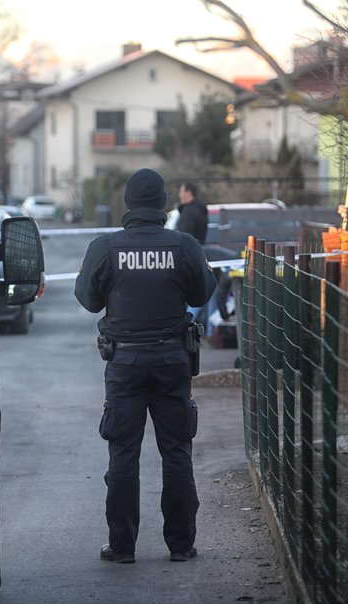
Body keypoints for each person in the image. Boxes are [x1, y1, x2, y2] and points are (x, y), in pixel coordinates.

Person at [74, 168, 217, 564]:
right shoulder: (183, 245)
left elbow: (88, 299)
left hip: (125, 362)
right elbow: (203, 291)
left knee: (123, 454)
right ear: (162, 203)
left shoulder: (106, 247)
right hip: (173, 360)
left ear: (127, 203)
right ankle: (182, 545)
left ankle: (122, 547)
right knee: (176, 451)